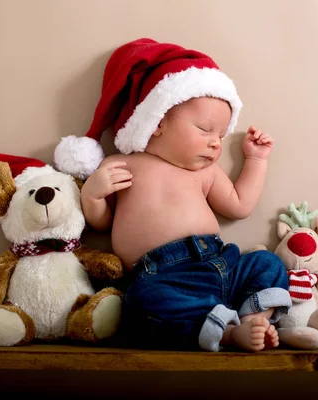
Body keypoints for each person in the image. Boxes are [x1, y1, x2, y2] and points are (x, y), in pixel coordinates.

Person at [53, 38, 291, 352]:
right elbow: (102, 224)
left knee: (267, 263)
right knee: (142, 299)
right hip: (164, 275)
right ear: (158, 122)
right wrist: (94, 196)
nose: (216, 143)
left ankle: (253, 319)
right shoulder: (123, 165)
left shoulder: (205, 172)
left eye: (221, 135)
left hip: (221, 261)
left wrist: (257, 160)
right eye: (205, 130)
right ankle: (228, 332)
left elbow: (240, 205)